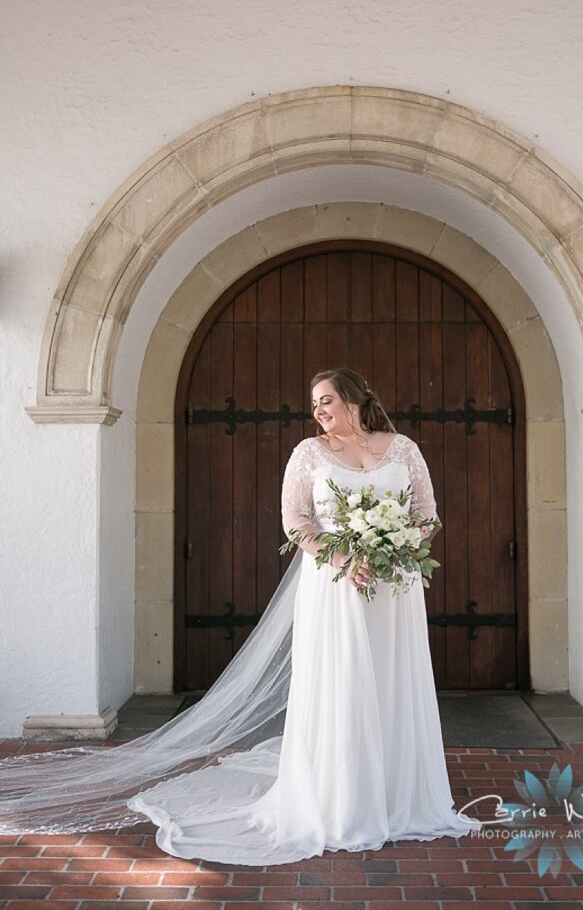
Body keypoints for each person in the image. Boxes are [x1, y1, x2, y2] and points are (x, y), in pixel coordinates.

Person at [0, 368, 481, 863]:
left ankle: (400, 796)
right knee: (343, 685)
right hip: (337, 588)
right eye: (313, 403)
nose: (318, 410)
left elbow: (426, 513)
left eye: (327, 400)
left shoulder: (401, 448)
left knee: (392, 683)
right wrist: (343, 556)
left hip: (392, 589)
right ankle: (341, 803)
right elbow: (294, 521)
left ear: (356, 399)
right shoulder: (309, 454)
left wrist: (395, 548)